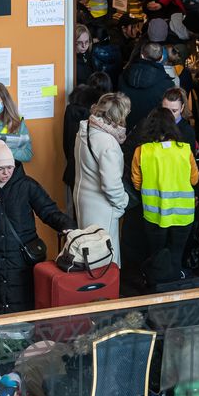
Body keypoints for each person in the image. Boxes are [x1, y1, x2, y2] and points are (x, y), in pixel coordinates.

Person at [0, 140, 75, 316]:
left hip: (21, 259)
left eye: (9, 168)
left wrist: (67, 226)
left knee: (22, 304)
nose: (6, 173)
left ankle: (21, 342)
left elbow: (48, 210)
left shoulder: (27, 185)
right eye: (0, 169)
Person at [131, 107, 199, 280]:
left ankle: (157, 285)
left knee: (157, 254)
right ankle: (175, 282)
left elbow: (137, 183)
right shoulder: (185, 149)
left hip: (155, 214)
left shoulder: (142, 151)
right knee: (176, 254)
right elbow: (194, 179)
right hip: (183, 214)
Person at [74, 93, 131, 266]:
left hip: (83, 199)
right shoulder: (108, 143)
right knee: (105, 258)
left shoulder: (85, 130)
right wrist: (123, 202)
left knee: (89, 251)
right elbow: (111, 185)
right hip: (102, 208)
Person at [62, 83, 105, 205]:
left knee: (77, 212)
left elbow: (66, 145)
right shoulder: (92, 120)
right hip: (89, 175)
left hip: (71, 169)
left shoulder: (69, 112)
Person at [119, 42, 175, 132]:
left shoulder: (122, 76)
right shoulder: (167, 85)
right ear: (161, 59)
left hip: (124, 129)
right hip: (151, 134)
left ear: (141, 55)